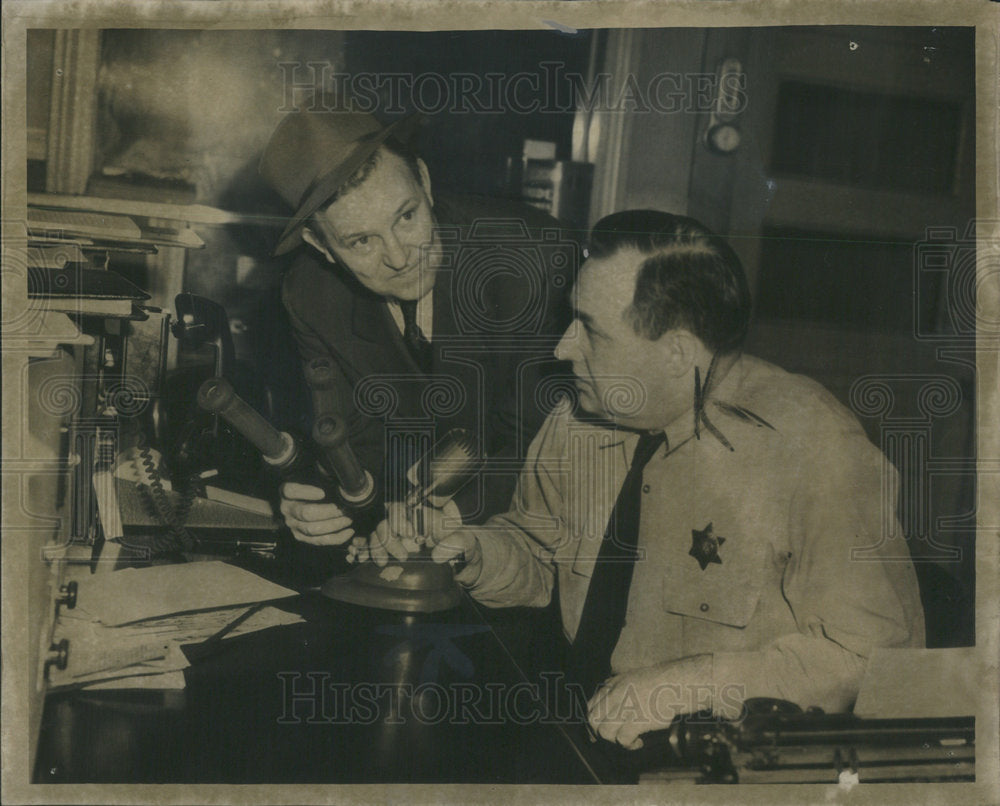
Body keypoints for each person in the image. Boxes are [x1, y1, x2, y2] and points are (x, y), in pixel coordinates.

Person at [375, 209, 926, 750]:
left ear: (677, 352)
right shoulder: (577, 420)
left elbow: (874, 661)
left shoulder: (814, 448)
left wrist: (690, 686)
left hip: (719, 760)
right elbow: (540, 554)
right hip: (573, 733)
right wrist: (471, 550)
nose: (563, 347)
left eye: (591, 330)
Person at [257, 106, 578, 551]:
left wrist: (438, 518)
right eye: (361, 241)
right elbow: (355, 445)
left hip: (539, 529)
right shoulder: (311, 295)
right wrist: (325, 503)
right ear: (320, 244)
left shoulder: (532, 259)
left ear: (424, 181)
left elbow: (538, 441)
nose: (399, 257)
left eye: (406, 217)